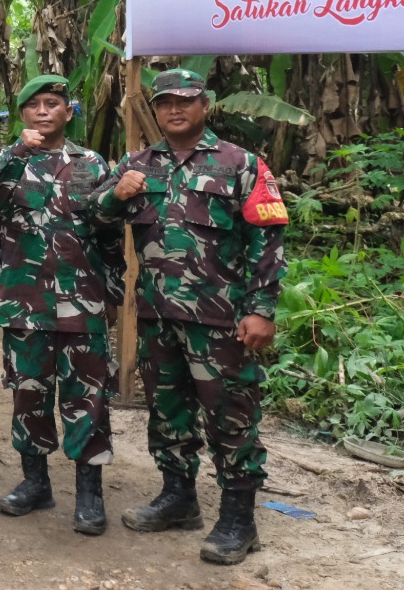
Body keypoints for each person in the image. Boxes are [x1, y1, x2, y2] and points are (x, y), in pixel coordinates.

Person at [95, 68, 288, 566]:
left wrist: (262, 309)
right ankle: (178, 497)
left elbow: (267, 240)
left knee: (231, 416)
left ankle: (238, 519)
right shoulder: (138, 164)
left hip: (220, 319)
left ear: (205, 105)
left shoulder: (240, 163)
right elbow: (96, 217)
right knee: (168, 412)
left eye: (186, 100)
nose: (174, 109)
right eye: (164, 102)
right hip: (157, 315)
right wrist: (117, 195)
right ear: (155, 109)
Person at [0, 75, 123, 535]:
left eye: (53, 104)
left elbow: (110, 230)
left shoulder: (92, 163)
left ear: (68, 112)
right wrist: (18, 154)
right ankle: (34, 483)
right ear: (22, 115)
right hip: (25, 302)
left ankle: (89, 494)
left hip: (83, 301)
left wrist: (114, 292)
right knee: (28, 394)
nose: (44, 111)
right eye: (34, 105)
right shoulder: (6, 161)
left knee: (88, 399)